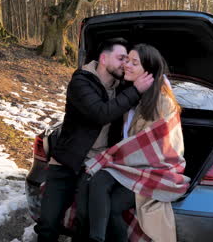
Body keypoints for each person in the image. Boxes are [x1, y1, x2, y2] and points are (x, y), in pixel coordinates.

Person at [34, 38, 154, 242]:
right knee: (48, 221)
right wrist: (135, 91)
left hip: (94, 165)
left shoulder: (122, 87)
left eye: (127, 60)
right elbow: (101, 113)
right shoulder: (81, 82)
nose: (125, 64)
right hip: (66, 162)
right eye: (121, 58)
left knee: (85, 221)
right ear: (103, 58)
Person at [77, 43, 190, 242]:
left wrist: (114, 158)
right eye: (127, 60)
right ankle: (94, 237)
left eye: (134, 62)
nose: (127, 65)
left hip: (155, 170)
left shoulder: (162, 102)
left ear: (148, 71)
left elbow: (154, 149)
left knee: (106, 196)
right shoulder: (133, 95)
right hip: (130, 167)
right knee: (95, 182)